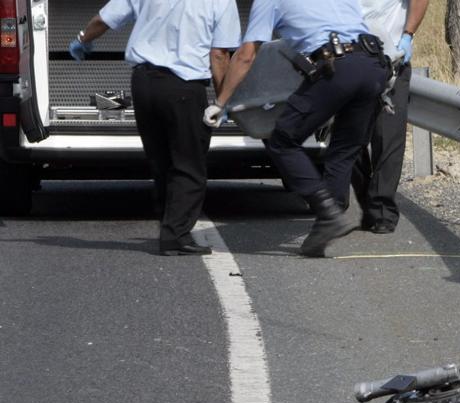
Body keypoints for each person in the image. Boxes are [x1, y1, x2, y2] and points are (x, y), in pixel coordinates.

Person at [209, 0, 393, 257]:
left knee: (282, 140)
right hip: (374, 65)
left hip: (338, 66)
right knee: (344, 149)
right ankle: (329, 221)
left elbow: (246, 55)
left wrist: (221, 101)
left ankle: (327, 211)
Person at [70, 0, 241, 256]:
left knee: (161, 159)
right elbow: (219, 54)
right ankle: (176, 236)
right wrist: (222, 101)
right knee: (189, 164)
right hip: (184, 87)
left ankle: (167, 220)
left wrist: (82, 40)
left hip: (143, 83)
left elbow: (102, 20)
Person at [351, 0, 428, 235]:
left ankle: (383, 210)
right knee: (349, 138)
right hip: (349, 60)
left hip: (392, 59)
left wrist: (408, 35)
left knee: (388, 138)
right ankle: (368, 203)